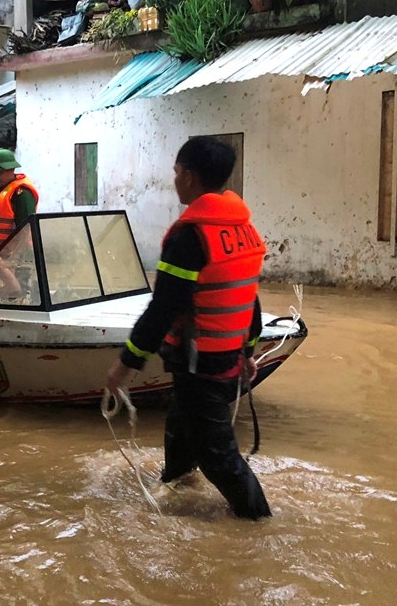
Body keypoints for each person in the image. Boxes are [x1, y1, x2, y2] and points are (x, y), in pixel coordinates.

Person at [104, 136, 271, 520]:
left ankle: (259, 523)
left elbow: (164, 306)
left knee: (217, 453)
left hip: (202, 363)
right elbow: (249, 295)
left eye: (177, 171)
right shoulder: (242, 228)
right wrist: (248, 352)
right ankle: (177, 485)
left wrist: (125, 363)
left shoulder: (189, 236)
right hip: (221, 357)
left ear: (191, 177)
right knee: (181, 428)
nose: (175, 178)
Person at [0, 148, 39, 246]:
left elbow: (24, 232)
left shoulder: (22, 194)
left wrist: (12, 258)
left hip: (14, 255)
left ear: (12, 169)